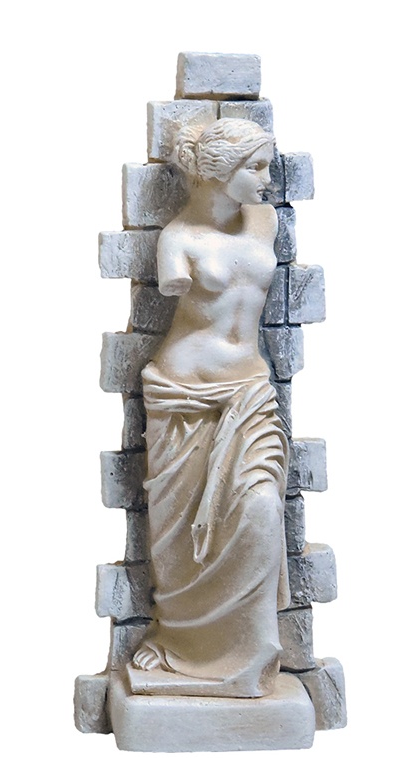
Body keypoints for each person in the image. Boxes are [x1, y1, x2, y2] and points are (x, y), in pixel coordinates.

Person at [130, 118, 290, 698]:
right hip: (183, 399)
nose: (268, 179)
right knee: (180, 542)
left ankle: (252, 655)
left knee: (261, 507)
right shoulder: (177, 239)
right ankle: (188, 646)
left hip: (248, 397)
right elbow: (175, 291)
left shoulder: (264, 221)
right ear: (220, 172)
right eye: (256, 166)